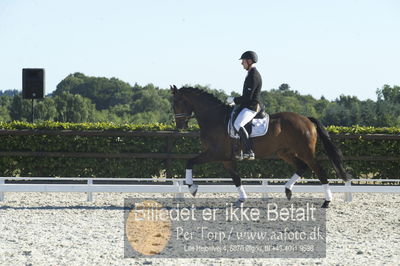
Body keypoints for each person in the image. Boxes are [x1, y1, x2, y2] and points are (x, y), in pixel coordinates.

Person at [227, 51, 262, 160]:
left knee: (238, 124)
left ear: (249, 61)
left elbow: (247, 97)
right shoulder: (250, 73)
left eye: (243, 61)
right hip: (247, 105)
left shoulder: (253, 75)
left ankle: (248, 151)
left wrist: (234, 99)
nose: (242, 63)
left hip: (251, 107)